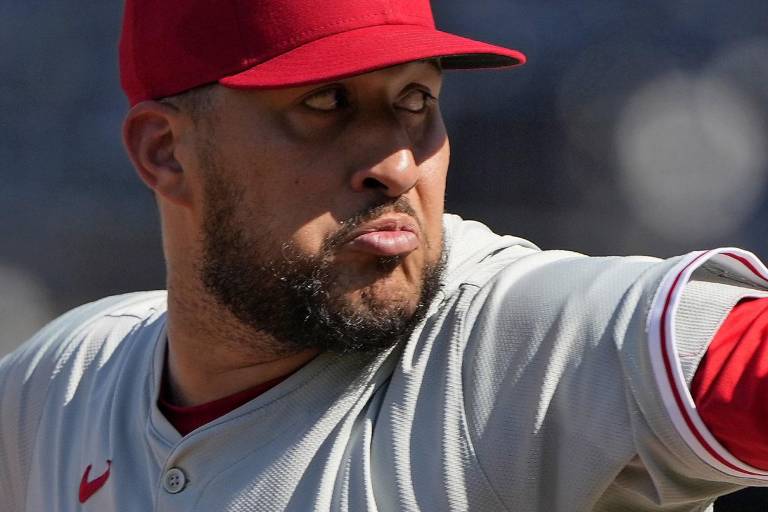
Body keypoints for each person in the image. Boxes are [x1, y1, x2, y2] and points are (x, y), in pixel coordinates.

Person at [2, 0, 768, 511]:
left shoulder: (511, 343)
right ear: (166, 152)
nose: (399, 165)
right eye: (326, 102)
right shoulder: (59, 390)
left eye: (415, 100)